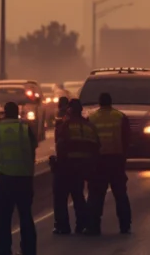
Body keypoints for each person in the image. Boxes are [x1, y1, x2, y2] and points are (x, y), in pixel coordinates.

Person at [0, 101, 39, 255]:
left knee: (4, 218)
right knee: (25, 215)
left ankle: (4, 252)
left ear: (4, 113)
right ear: (17, 113)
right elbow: (33, 145)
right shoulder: (25, 128)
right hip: (24, 177)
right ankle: (29, 251)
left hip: (5, 178)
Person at [87, 92, 133, 235]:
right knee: (120, 194)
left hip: (98, 162)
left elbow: (88, 141)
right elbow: (126, 139)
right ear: (110, 102)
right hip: (116, 160)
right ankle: (125, 225)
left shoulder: (91, 118)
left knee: (96, 195)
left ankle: (93, 226)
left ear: (99, 103)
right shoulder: (120, 117)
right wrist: (123, 157)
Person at [52, 99, 97, 235]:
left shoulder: (65, 126)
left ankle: (62, 226)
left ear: (70, 110)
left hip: (67, 166)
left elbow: (60, 146)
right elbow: (96, 146)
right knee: (78, 195)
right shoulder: (89, 126)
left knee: (60, 196)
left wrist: (57, 163)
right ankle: (82, 224)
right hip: (83, 166)